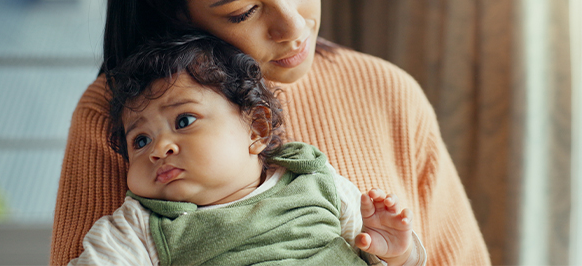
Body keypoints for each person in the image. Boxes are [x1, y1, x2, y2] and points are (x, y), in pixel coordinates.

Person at [50, 0, 492, 265]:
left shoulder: (388, 92)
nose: (295, 28)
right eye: (245, 11)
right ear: (173, 13)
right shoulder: (125, 116)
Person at [68, 32, 426, 266]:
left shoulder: (312, 180)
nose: (158, 149)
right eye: (140, 141)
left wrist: (398, 252)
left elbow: (373, 250)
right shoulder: (146, 223)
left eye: (183, 121)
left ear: (256, 128)